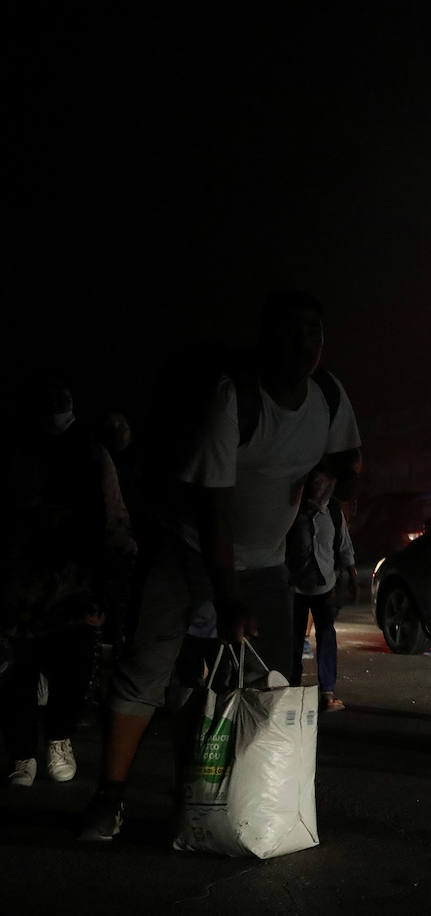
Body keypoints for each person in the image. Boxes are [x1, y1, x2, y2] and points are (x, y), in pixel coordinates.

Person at [81, 289, 362, 841]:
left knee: (270, 685)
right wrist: (228, 597)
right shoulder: (233, 398)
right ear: (266, 339)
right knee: (145, 671)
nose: (307, 344)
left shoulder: (327, 396)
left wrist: (333, 475)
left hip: (267, 564)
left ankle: (247, 799)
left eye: (316, 332)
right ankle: (108, 798)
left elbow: (350, 457)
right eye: (294, 331)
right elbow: (212, 509)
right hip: (186, 550)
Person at [1, 379, 136, 787]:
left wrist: (111, 583)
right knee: (18, 673)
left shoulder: (93, 452)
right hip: (22, 584)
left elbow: (115, 517)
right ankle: (23, 752)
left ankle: (58, 737)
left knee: (73, 671)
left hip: (78, 583)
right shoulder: (15, 451)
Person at [286, 465, 357, 711]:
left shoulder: (334, 513)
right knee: (293, 640)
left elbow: (344, 547)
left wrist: (351, 579)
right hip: (296, 587)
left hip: (325, 586)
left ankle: (327, 692)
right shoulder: (293, 512)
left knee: (326, 636)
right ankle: (291, 687)